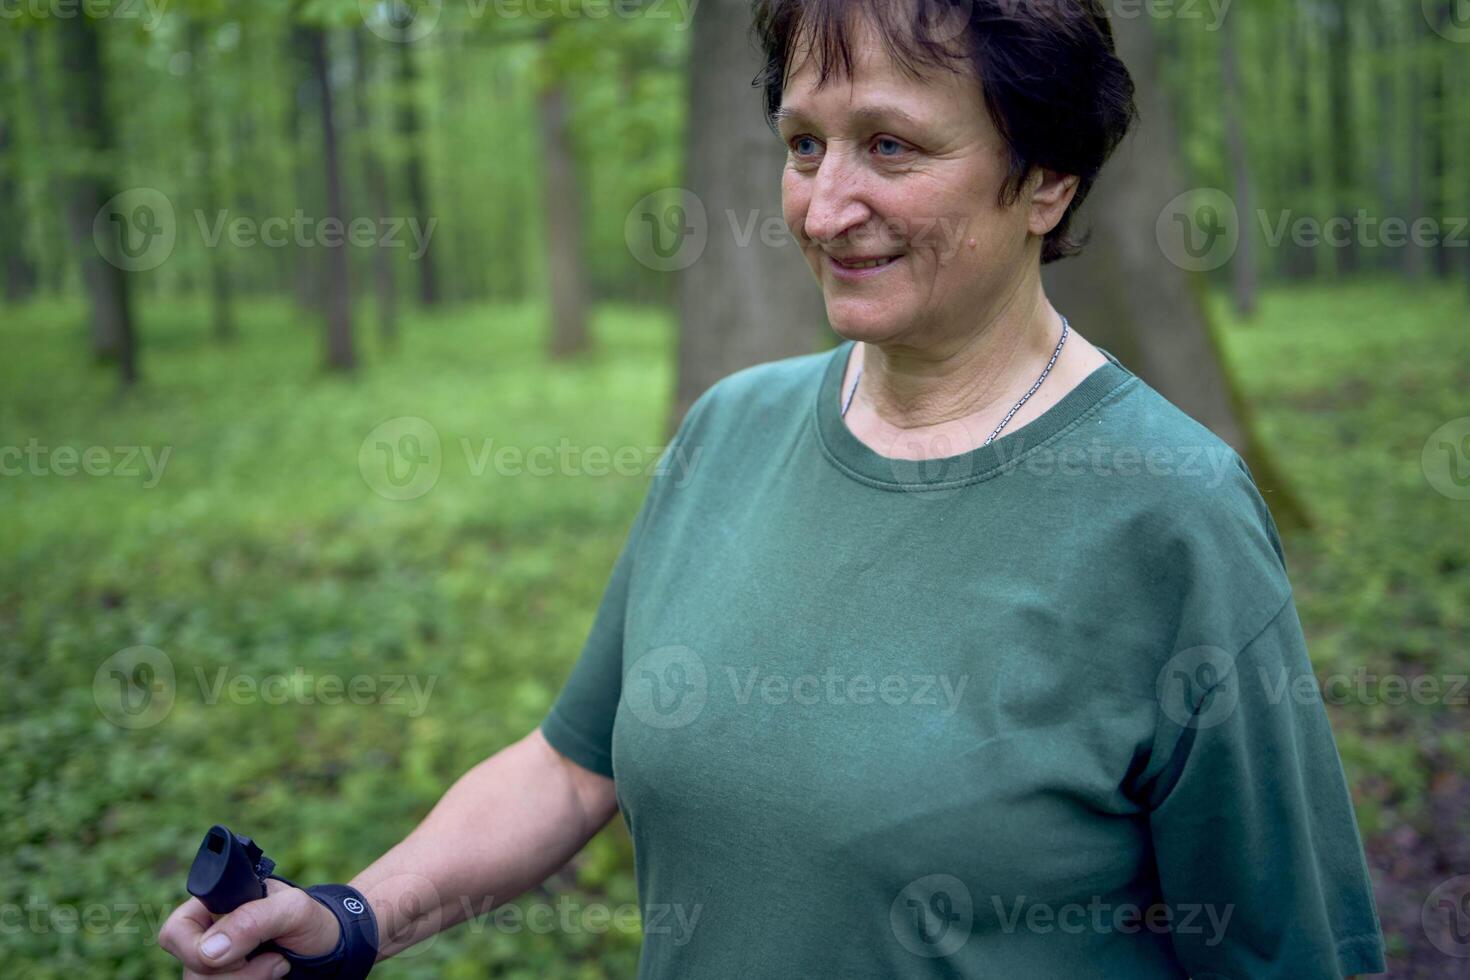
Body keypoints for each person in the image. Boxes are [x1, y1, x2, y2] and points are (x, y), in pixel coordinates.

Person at [159, 0, 1387, 977]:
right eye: (806, 142)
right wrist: (352, 917)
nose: (826, 203)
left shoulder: (1170, 506)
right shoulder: (730, 431)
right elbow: (572, 762)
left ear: (1046, 180)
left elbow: (1285, 947)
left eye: (891, 145)